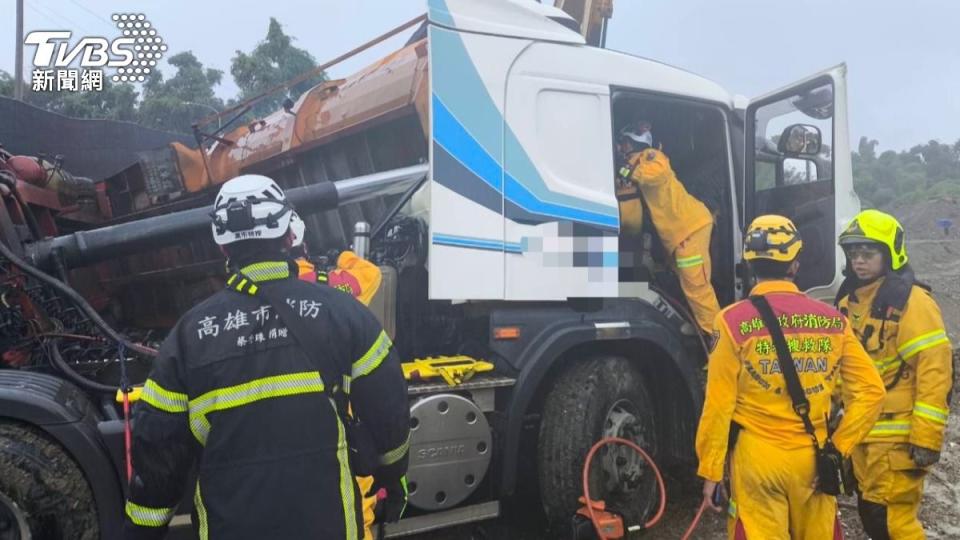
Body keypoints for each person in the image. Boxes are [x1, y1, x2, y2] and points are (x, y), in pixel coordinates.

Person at [123, 175, 410, 539]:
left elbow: (159, 449)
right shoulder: (346, 315)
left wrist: (142, 530)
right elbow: (389, 413)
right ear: (290, 235)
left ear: (223, 247)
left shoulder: (189, 336)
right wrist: (394, 477)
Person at [695, 214, 884, 539]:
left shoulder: (730, 322)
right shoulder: (832, 321)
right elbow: (872, 392)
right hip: (814, 458)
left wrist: (711, 470)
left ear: (750, 264)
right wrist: (838, 449)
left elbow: (718, 404)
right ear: (795, 264)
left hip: (757, 460)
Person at [836, 209, 953, 540]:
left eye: (868, 253)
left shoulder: (912, 302)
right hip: (863, 435)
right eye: (853, 253)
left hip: (897, 439)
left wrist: (927, 438)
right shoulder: (848, 300)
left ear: (890, 253)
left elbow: (936, 371)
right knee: (874, 518)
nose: (859, 261)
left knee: (892, 523)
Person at [288, 211, 383, 540]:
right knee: (355, 508)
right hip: (337, 426)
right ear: (302, 245)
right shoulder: (336, 286)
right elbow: (370, 274)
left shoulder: (244, 297)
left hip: (279, 432)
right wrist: (340, 255)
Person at [618, 121, 721, 333]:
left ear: (634, 142)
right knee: (684, 284)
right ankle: (697, 330)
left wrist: (627, 171)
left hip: (690, 227)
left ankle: (717, 345)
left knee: (697, 289)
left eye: (625, 143)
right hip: (679, 233)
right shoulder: (634, 164)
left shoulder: (651, 156)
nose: (622, 148)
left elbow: (656, 175)